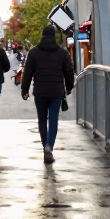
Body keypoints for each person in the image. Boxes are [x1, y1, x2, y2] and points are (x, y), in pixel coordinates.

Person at [21, 24, 75, 164]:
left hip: (40, 91)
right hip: (56, 92)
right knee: (53, 120)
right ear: (54, 36)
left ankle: (45, 146)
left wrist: (24, 89)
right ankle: (49, 146)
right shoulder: (62, 52)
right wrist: (69, 87)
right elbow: (68, 71)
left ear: (42, 36)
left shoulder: (34, 52)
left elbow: (27, 72)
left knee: (42, 120)